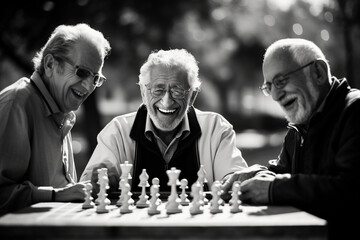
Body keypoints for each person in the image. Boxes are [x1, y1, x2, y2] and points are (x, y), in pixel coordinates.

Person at [223, 38, 360, 238]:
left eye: (280, 81)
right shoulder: (299, 125)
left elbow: (350, 190)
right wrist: (256, 173)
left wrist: (274, 188)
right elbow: (285, 175)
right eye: (269, 87)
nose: (275, 95)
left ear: (318, 72)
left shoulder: (355, 110)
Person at [80, 49, 252, 195]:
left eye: (177, 90)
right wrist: (97, 180)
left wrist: (238, 179)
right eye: (158, 89)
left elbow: (234, 180)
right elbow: (89, 184)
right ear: (143, 92)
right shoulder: (118, 131)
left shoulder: (216, 129)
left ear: (192, 95)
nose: (167, 101)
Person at [0, 23, 111, 215]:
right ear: (50, 64)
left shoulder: (61, 110)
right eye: (82, 72)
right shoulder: (17, 103)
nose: (88, 86)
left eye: (95, 78)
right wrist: (55, 196)